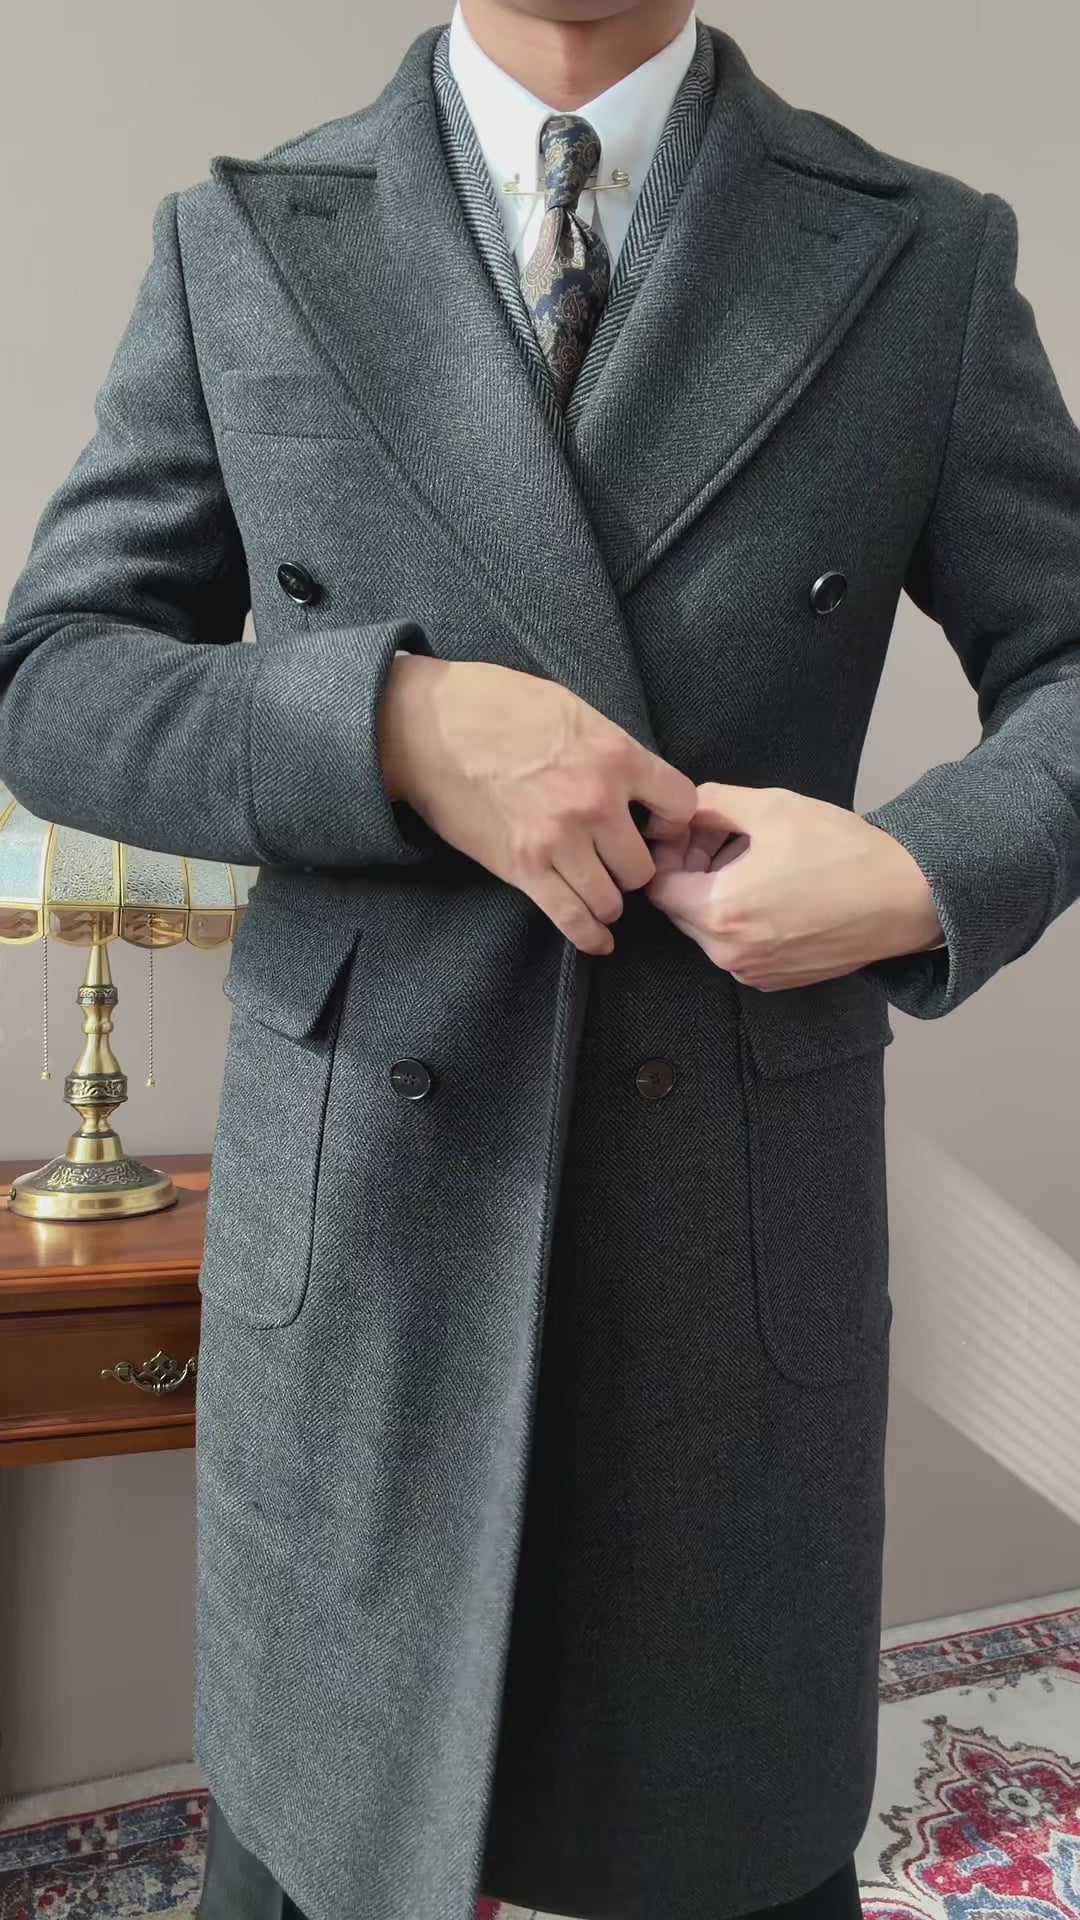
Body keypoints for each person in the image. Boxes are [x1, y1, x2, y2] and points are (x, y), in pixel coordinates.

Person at [1, 2, 1077, 1917]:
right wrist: (390, 726)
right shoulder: (243, 233)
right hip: (368, 1222)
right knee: (322, 1839)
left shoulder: (918, 249)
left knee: (725, 1847)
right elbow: (53, 678)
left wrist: (922, 871)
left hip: (728, 1220)